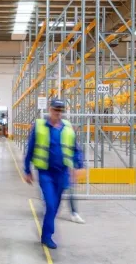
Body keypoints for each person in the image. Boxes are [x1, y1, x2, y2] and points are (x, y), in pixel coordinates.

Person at [23, 99, 84, 249]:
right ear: (50, 110)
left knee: (55, 206)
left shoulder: (68, 128)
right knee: (50, 204)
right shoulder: (39, 126)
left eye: (60, 110)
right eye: (55, 110)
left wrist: (79, 165)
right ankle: (47, 236)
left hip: (62, 173)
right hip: (46, 173)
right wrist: (27, 170)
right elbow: (30, 149)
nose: (58, 113)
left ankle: (46, 232)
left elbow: (76, 150)